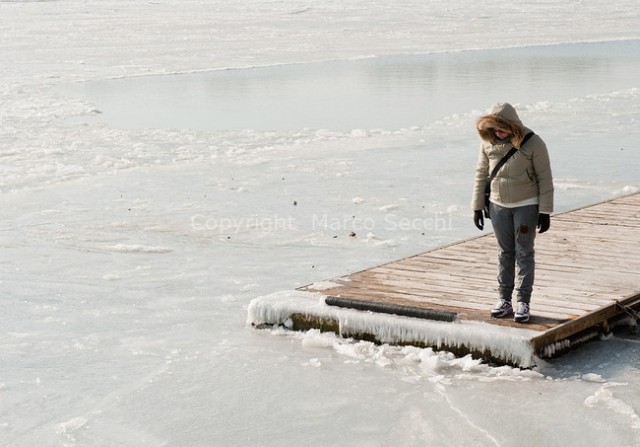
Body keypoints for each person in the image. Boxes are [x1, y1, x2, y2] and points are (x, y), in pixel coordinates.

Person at [471, 103, 553, 323]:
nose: (498, 133)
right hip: (497, 207)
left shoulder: (533, 142)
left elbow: (545, 178)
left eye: (502, 129)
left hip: (526, 205)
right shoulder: (488, 144)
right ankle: (504, 299)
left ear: (512, 125)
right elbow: (481, 174)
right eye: (494, 129)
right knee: (504, 252)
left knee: (524, 252)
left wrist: (545, 211)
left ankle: (523, 302)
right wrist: (477, 206)